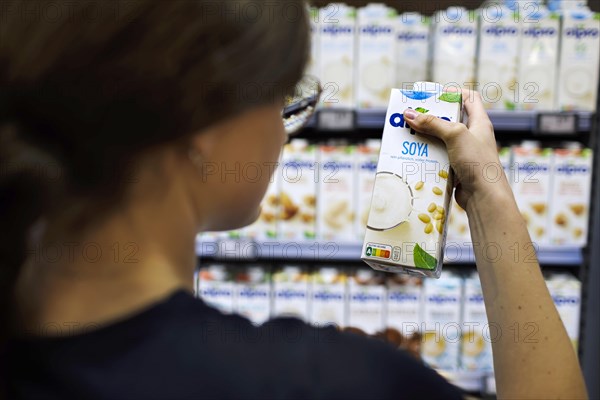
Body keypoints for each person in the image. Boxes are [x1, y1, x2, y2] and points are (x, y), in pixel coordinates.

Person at [0, 1, 587, 399]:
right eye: (283, 97)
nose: (284, 131)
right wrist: (486, 191)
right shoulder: (327, 383)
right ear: (205, 124)